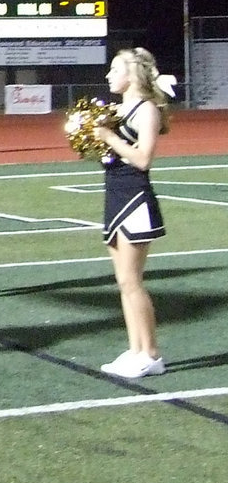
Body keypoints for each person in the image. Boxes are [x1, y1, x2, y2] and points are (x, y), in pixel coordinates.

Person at [92, 47, 172, 379]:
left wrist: (108, 136)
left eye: (114, 69)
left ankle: (152, 354)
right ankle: (135, 349)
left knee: (132, 281)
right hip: (114, 195)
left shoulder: (147, 110)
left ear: (132, 75)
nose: (109, 75)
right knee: (123, 283)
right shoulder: (117, 108)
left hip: (135, 199)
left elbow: (143, 159)